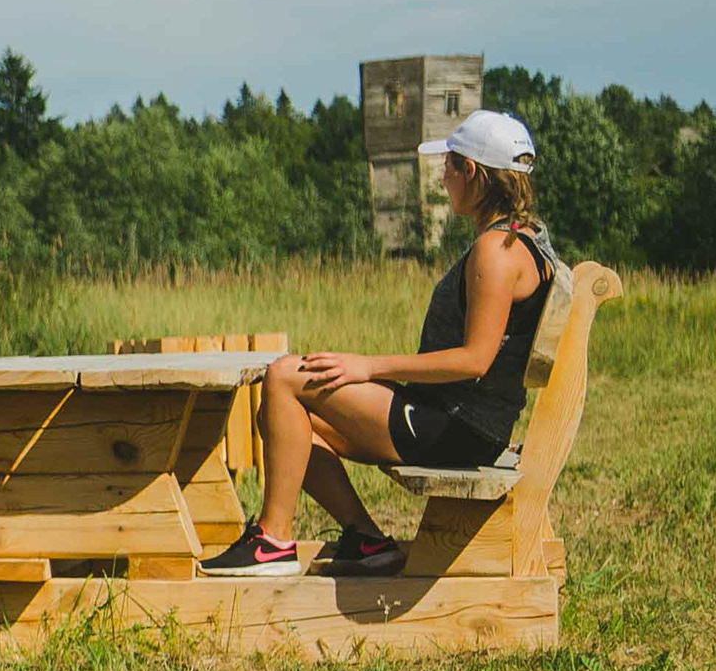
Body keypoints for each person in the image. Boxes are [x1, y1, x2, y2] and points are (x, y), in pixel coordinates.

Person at [204, 109, 559, 577]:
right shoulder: (527, 240)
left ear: (471, 171)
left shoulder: (497, 252)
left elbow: (475, 359)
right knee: (280, 416)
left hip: (455, 430)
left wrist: (369, 367)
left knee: (285, 376)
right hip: (464, 424)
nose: (443, 177)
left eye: (449, 166)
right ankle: (367, 540)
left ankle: (272, 542)